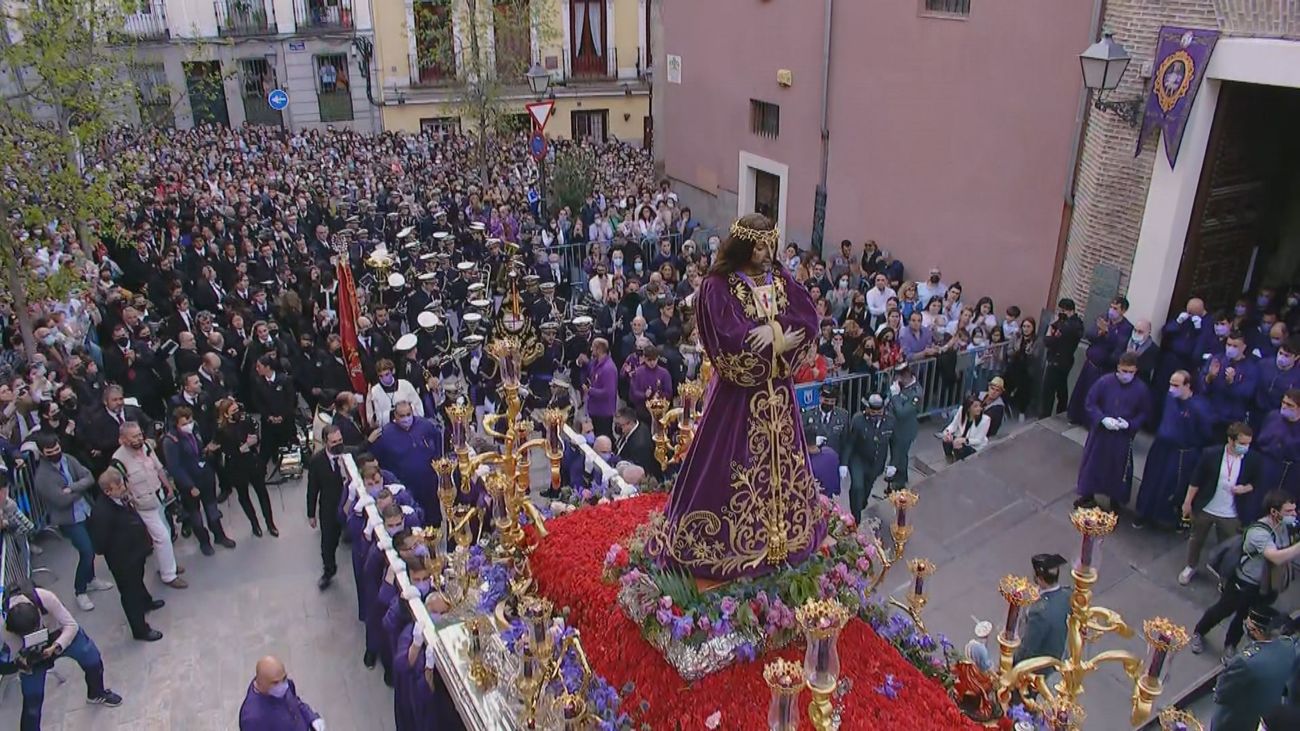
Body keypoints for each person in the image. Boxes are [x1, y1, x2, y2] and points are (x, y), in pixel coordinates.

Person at [662, 214, 821, 581]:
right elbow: (733, 341)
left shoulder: (779, 278)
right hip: (738, 402)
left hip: (779, 400)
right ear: (744, 245)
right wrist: (775, 339)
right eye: (760, 246)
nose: (766, 253)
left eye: (770, 245)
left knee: (784, 469)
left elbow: (807, 319)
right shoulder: (718, 287)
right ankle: (734, 547)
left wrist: (777, 333)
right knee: (730, 471)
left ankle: (786, 539)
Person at [1190, 490, 1300, 658]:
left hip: (1264, 586)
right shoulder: (1259, 532)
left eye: (1294, 510)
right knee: (1223, 610)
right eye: (1289, 511)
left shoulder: (1284, 527)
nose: (1294, 514)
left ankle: (1230, 646)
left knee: (1245, 618)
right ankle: (1199, 632)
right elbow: (1275, 557)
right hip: (1244, 583)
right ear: (1274, 512)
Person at [1, 583, 122, 730]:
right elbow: (15, 652)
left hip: (57, 632)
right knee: (32, 698)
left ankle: (96, 693)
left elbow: (71, 625)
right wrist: (23, 661)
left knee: (92, 659)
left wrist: (57, 646)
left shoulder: (44, 597)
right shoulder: (3, 625)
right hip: (28, 650)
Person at [30, 432, 114, 611]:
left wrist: (72, 488)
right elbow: (61, 500)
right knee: (86, 551)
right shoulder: (42, 477)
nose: (55, 452)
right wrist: (78, 489)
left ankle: (91, 579)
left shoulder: (68, 459)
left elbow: (89, 477)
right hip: (69, 520)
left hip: (85, 511)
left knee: (93, 547)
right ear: (42, 453)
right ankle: (80, 590)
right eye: (50, 450)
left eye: (57, 448)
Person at [85, 469, 164, 641]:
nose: (123, 487)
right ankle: (140, 629)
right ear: (108, 491)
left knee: (138, 582)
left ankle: (145, 602)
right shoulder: (102, 513)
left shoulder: (120, 500)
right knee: (130, 594)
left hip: (136, 553)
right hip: (123, 560)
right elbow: (99, 544)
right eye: (119, 486)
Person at [1179, 423, 1261, 586]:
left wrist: (1244, 489)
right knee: (1196, 539)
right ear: (1230, 440)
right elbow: (1196, 479)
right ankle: (1191, 566)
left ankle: (1223, 575)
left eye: (1248, 444)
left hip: (1231, 513)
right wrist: (1187, 502)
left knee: (1228, 548)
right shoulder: (1211, 454)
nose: (1246, 447)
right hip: (1206, 507)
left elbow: (1256, 482)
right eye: (1242, 443)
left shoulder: (1252, 459)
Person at [110, 420, 187, 589]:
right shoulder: (118, 460)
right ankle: (168, 575)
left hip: (158, 497)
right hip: (142, 504)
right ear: (122, 439)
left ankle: (167, 566)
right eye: (134, 437)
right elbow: (120, 487)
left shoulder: (146, 447)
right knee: (162, 537)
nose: (138, 439)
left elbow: (158, 468)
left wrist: (168, 487)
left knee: (165, 531)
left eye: (139, 434)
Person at [1132, 370, 1213, 529]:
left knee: (1171, 486)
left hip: (1180, 453)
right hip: (1161, 448)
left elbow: (1205, 433)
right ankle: (1143, 513)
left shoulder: (1199, 408)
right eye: (1170, 384)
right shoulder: (1169, 398)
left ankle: (1165, 517)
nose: (1171, 388)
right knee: (1150, 481)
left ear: (1187, 386)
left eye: (1176, 385)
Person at [1074, 352, 1150, 511]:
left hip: (1122, 437)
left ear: (1135, 370)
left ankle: (1116, 499)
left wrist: (1129, 424)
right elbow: (1090, 402)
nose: (1126, 375)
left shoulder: (1141, 389)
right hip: (1101, 433)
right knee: (1093, 463)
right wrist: (1102, 419)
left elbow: (1144, 413)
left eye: (1130, 372)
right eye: (1124, 371)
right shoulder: (1104, 382)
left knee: (1119, 468)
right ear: (1118, 367)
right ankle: (1088, 495)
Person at [162, 405, 236, 556]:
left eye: (190, 420)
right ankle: (204, 542)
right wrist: (189, 486)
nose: (188, 425)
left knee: (212, 510)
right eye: (184, 423)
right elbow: (175, 468)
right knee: (195, 515)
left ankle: (219, 536)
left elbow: (198, 450)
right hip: (189, 484)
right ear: (176, 424)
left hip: (205, 476)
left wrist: (207, 451)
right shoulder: (171, 441)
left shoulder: (194, 429)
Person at [1208, 605, 1297, 731]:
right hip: (1266, 713)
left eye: (1249, 626)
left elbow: (1222, 693)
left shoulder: (1245, 662)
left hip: (1234, 720)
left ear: (1257, 631)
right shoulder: (1287, 646)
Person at [369, 400, 443, 519]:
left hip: (429, 481)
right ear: (395, 416)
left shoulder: (425, 425)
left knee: (433, 513)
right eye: (402, 416)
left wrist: (438, 463)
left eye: (408, 414)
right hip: (406, 485)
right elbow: (378, 460)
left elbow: (438, 442)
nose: (406, 418)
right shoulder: (386, 434)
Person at [216, 397, 278, 537]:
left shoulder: (246, 420)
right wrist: (244, 446)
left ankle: (270, 523)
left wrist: (254, 441)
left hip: (252, 462)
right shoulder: (222, 430)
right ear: (226, 414)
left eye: (237, 409)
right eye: (233, 411)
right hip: (236, 467)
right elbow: (227, 450)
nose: (238, 412)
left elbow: (255, 435)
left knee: (262, 493)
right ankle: (254, 524)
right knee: (244, 496)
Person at [307, 425, 350, 590]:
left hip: (349, 506)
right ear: (326, 442)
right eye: (334, 442)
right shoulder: (317, 462)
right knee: (328, 543)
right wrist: (311, 514)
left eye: (340, 440)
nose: (338, 444)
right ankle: (329, 570)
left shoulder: (348, 454)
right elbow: (312, 489)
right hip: (329, 508)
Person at [840, 393, 895, 521]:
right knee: (857, 487)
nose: (876, 414)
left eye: (879, 411)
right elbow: (850, 443)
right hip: (858, 459)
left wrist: (894, 462)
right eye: (873, 411)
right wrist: (844, 463)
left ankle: (861, 504)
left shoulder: (890, 420)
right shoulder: (858, 419)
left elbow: (895, 442)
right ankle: (855, 518)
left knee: (866, 489)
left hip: (876, 462)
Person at [238, 655, 325, 731]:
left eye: (284, 678)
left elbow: (296, 702)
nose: (283, 685)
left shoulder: (284, 685)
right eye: (275, 682)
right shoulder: (252, 718)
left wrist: (311, 717)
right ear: (261, 682)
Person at [1013, 553, 1070, 664]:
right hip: (1058, 653)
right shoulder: (1067, 594)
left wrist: (1013, 662)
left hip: (1040, 665)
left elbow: (1028, 648)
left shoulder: (1039, 613)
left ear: (1040, 579)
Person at [1254, 388, 1300, 501]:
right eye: (1283, 402)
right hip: (1269, 463)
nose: (1284, 407)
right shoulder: (1273, 416)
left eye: (1290, 405)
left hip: (1293, 470)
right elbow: (1261, 439)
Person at [1040, 299, 1083, 417]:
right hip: (1064, 361)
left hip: (1058, 361)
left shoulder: (1069, 326)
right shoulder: (1075, 323)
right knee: (1061, 388)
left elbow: (1048, 340)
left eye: (1062, 310)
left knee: (1048, 391)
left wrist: (1050, 329)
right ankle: (1061, 411)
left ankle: (1045, 416)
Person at [888, 363, 922, 491]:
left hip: (905, 430)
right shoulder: (900, 385)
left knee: (900, 457)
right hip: (894, 428)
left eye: (899, 376)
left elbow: (902, 412)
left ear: (907, 375)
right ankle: (900, 477)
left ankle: (900, 483)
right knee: (895, 455)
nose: (897, 379)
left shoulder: (916, 393)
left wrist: (895, 396)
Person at [367, 358, 423, 428]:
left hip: (410, 425)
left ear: (393, 371)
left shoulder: (405, 385)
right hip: (389, 428)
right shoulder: (374, 391)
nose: (384, 378)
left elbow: (418, 406)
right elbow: (375, 418)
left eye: (387, 374)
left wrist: (404, 411)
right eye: (381, 376)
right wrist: (391, 414)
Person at [802, 383, 850, 456]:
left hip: (835, 457)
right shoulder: (808, 415)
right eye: (826, 401)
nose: (829, 404)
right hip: (815, 457)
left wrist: (844, 464)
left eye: (832, 402)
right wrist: (813, 441)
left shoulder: (843, 415)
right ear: (820, 398)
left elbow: (845, 442)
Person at [941, 396, 990, 462]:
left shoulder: (985, 420)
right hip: (961, 438)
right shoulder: (961, 410)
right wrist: (947, 432)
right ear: (968, 408)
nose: (979, 409)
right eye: (975, 406)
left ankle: (958, 462)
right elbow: (953, 425)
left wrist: (964, 440)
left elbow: (979, 441)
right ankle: (949, 457)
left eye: (980, 406)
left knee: (959, 446)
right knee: (946, 439)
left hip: (974, 445)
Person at [613, 406, 656, 479]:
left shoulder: (639, 445)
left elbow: (638, 473)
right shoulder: (637, 426)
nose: (617, 428)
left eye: (619, 425)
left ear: (629, 423)